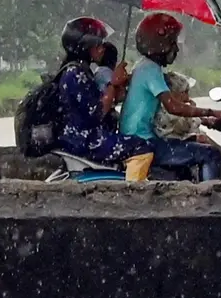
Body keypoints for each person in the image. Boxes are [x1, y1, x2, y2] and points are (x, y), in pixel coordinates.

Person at [119, 12, 221, 182]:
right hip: (143, 143)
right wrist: (214, 112)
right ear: (161, 44)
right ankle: (211, 200)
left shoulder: (144, 67)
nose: (176, 48)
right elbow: (174, 107)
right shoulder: (150, 70)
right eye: (172, 43)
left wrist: (208, 119)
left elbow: (173, 106)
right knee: (210, 154)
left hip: (139, 140)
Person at [54, 17, 155, 181]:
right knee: (142, 147)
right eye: (98, 44)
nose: (102, 49)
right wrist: (113, 84)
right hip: (86, 141)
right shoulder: (75, 73)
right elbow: (98, 112)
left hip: (80, 138)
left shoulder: (79, 70)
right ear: (85, 47)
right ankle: (135, 194)